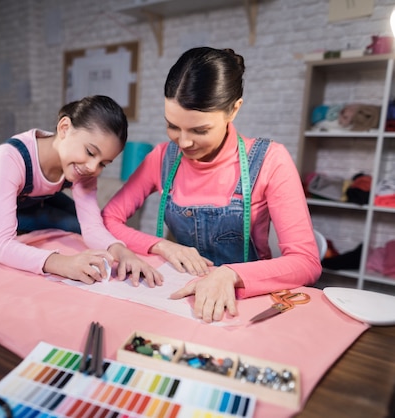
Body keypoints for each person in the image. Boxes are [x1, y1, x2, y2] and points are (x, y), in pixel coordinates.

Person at [102, 47, 321, 323]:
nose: (183, 142)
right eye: (173, 126)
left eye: (199, 130)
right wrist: (162, 246)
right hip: (181, 300)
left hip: (242, 304)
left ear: (234, 110)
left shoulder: (270, 160)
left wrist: (230, 274)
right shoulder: (162, 158)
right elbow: (109, 218)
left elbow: (306, 262)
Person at [0, 95, 163, 285]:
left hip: (40, 195)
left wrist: (122, 252)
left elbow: (92, 227)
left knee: (88, 225)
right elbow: (2, 245)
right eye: (90, 152)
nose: (92, 168)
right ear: (64, 128)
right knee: (71, 225)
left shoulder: (82, 169)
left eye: (103, 164)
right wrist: (63, 263)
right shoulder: (10, 157)